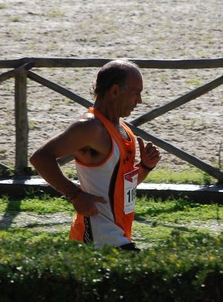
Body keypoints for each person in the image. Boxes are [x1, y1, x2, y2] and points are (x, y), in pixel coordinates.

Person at [29, 59, 161, 251]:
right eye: (136, 93)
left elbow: (123, 187)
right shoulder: (91, 128)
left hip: (117, 237)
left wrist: (145, 167)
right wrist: (75, 194)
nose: (139, 101)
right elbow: (40, 158)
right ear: (115, 91)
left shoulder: (123, 130)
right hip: (99, 241)